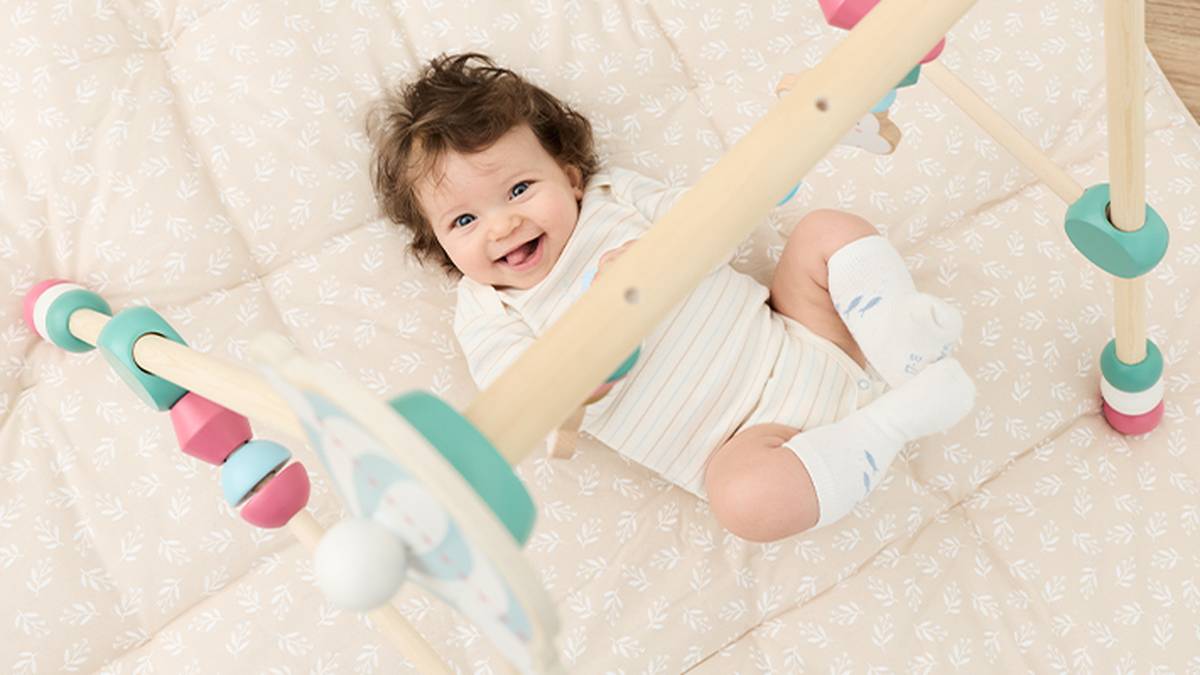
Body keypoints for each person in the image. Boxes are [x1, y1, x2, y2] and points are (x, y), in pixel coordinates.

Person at [367, 52, 975, 542]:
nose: (501, 226)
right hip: (747, 445)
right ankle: (891, 423)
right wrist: (596, 343)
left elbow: (719, 221)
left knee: (827, 231)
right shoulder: (487, 311)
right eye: (464, 222)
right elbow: (531, 399)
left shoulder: (615, 198)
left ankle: (908, 353)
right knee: (745, 506)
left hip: (805, 337)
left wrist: (664, 255)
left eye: (520, 188)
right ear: (440, 246)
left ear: (571, 178)